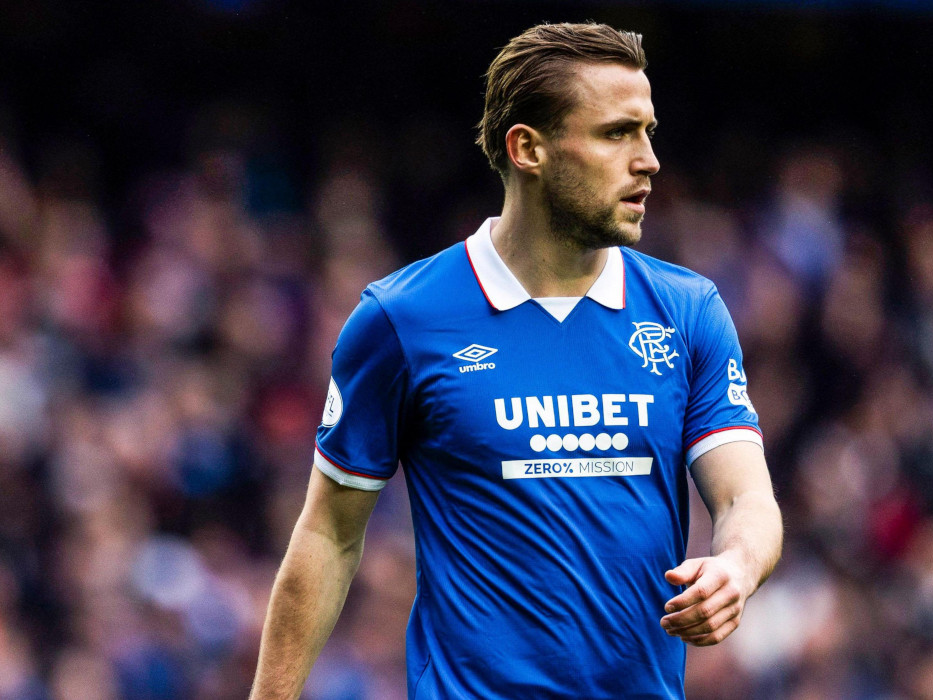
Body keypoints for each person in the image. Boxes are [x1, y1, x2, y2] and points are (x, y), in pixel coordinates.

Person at [250, 22, 782, 699]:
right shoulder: (401, 318)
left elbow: (746, 497)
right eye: (617, 133)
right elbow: (329, 534)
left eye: (649, 132)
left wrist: (736, 566)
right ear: (527, 148)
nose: (648, 160)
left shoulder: (688, 311)